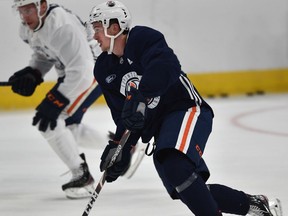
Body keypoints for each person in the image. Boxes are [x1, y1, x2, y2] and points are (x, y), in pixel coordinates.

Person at [89, 1, 282, 215]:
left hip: (185, 108)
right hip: (161, 128)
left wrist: (141, 94)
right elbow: (126, 116)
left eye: (98, 28)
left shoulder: (142, 38)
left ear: (114, 27)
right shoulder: (104, 69)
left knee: (176, 166)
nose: (95, 36)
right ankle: (255, 205)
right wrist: (121, 147)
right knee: (185, 188)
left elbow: (168, 66)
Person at [8, 0, 103, 199]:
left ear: (42, 6)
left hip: (93, 72)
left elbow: (83, 70)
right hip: (75, 73)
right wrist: (33, 72)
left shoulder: (62, 27)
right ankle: (125, 149)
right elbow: (45, 53)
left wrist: (56, 101)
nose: (24, 16)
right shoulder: (28, 28)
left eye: (28, 10)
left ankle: (82, 177)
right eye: (21, 11)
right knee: (67, 128)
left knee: (50, 121)